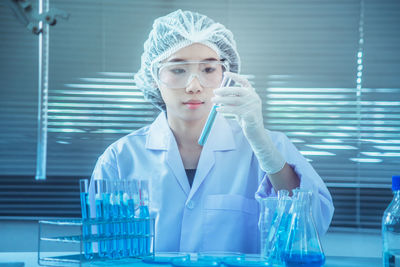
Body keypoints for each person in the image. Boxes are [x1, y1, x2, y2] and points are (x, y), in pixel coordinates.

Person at [89, 9, 334, 253]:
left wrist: (262, 146)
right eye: (177, 70)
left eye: (208, 70)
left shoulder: (270, 147)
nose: (194, 86)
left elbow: (312, 226)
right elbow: (104, 250)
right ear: (154, 76)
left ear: (225, 76)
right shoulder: (119, 159)